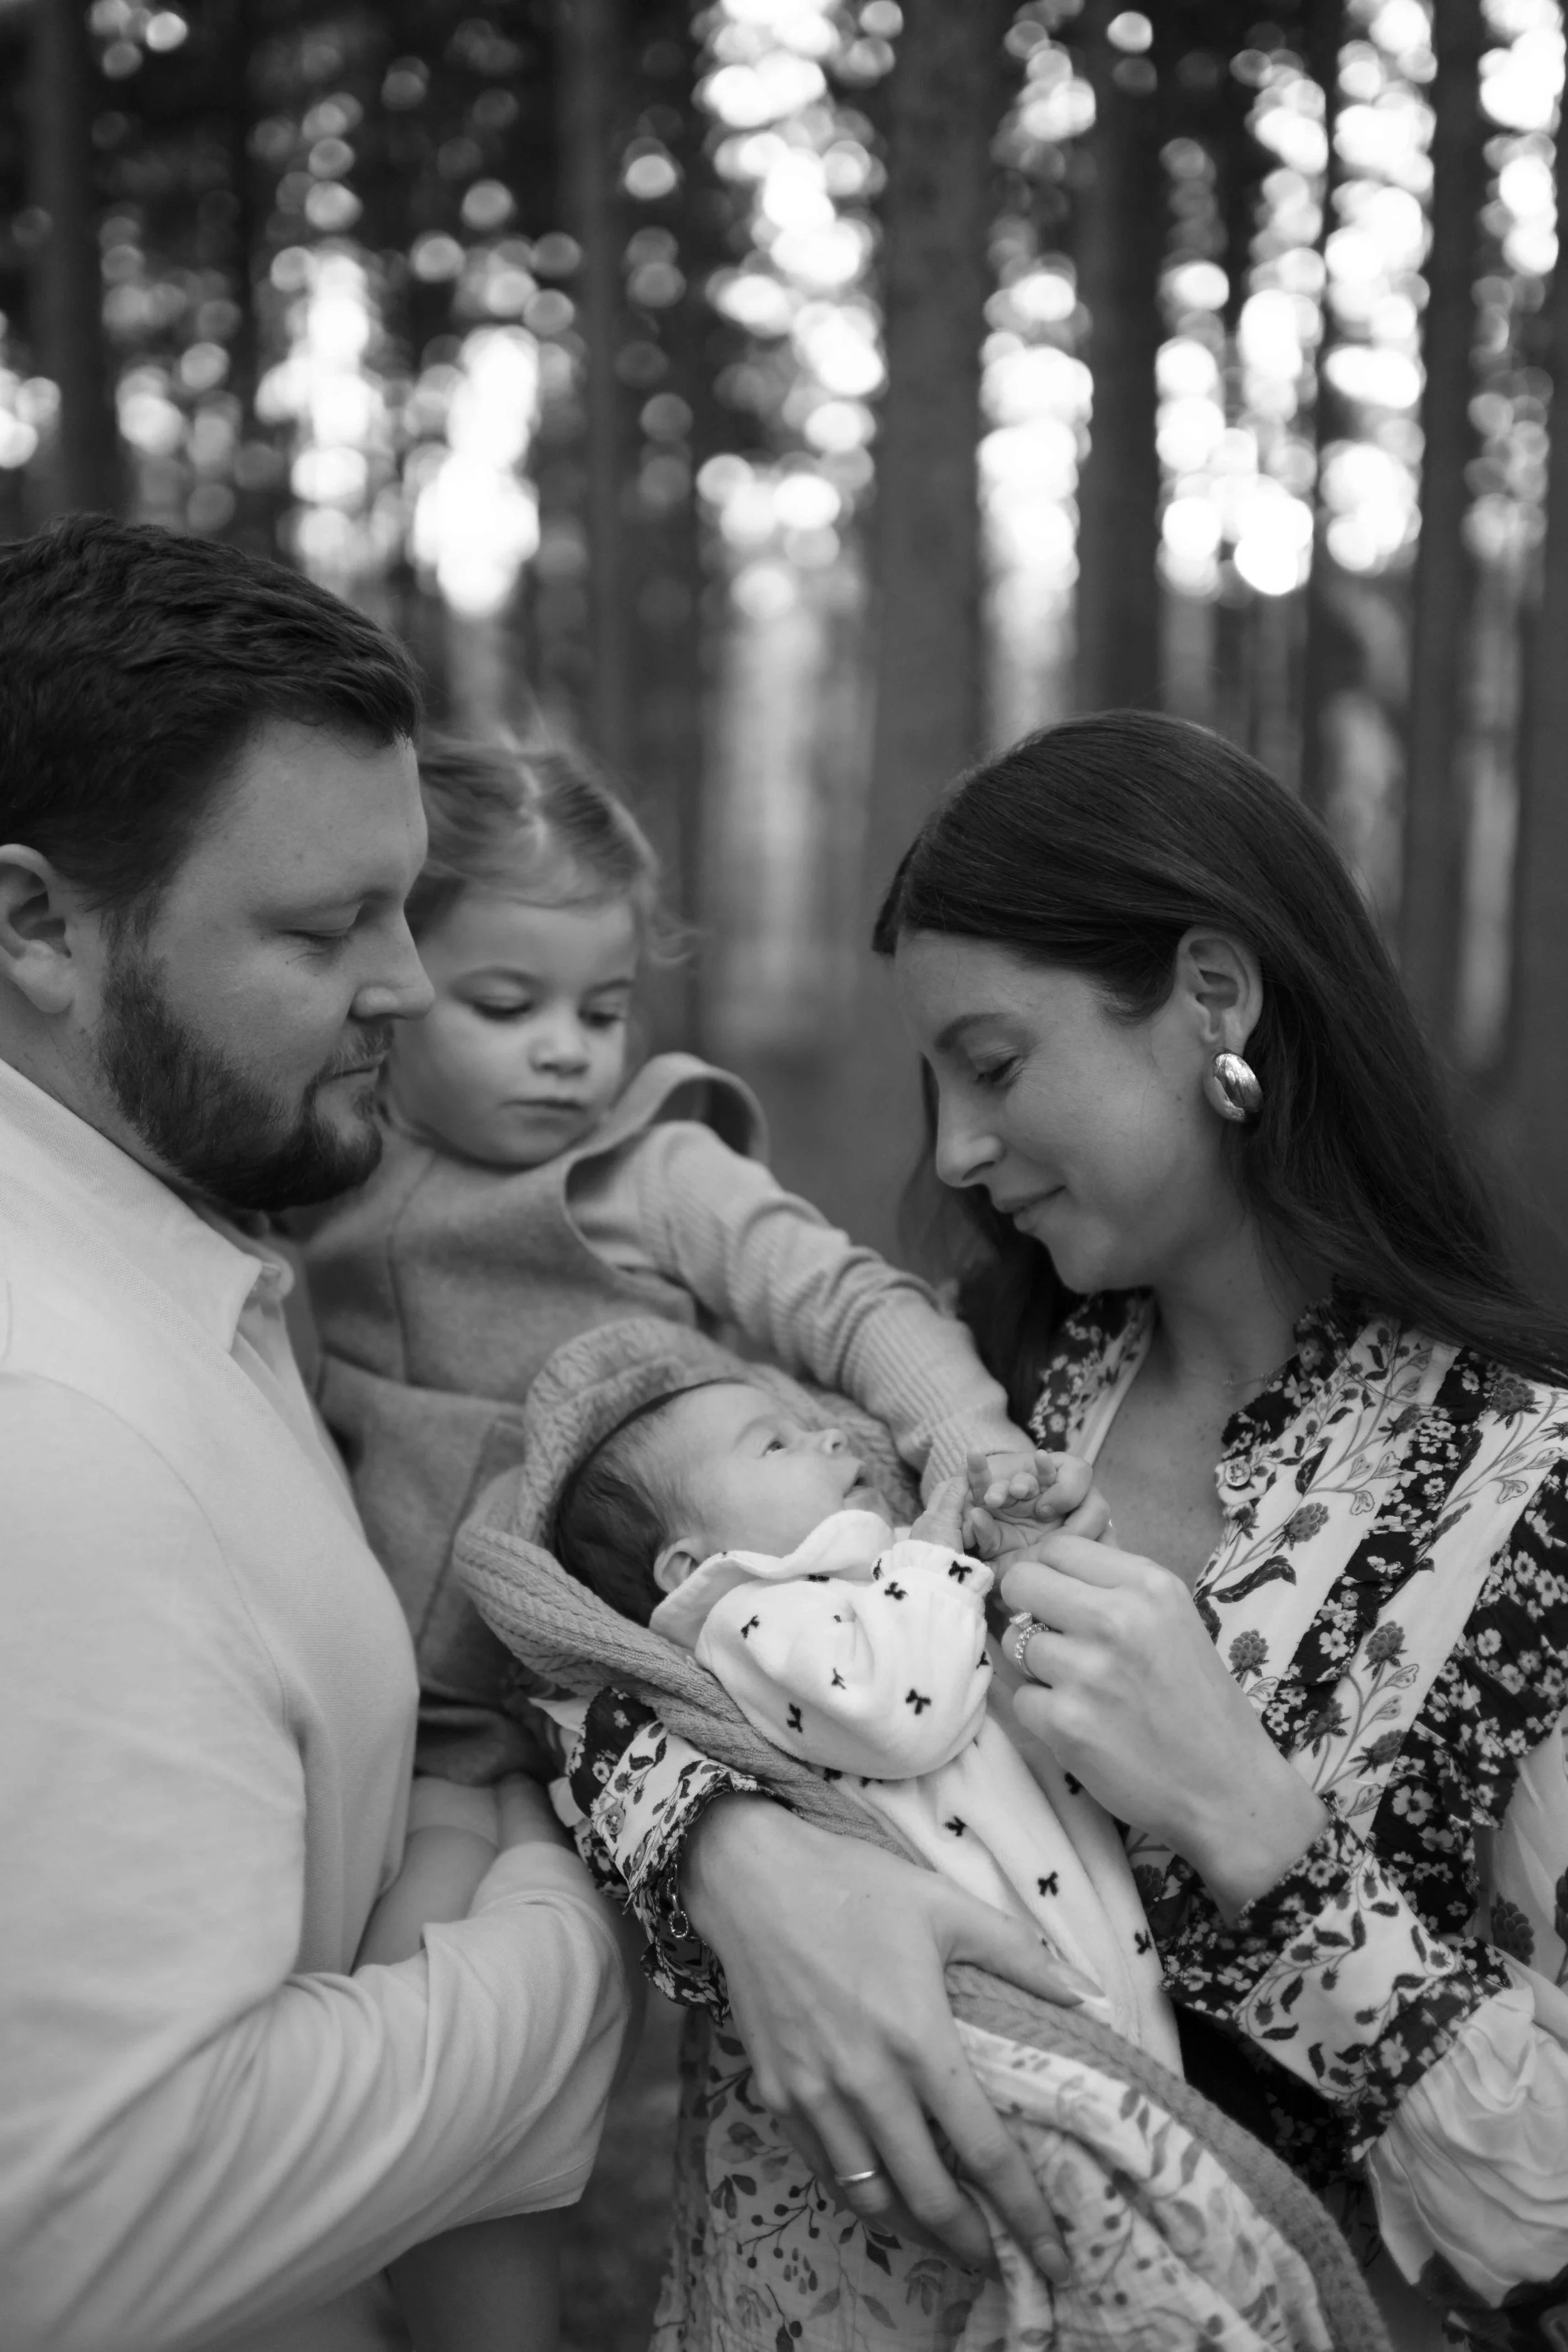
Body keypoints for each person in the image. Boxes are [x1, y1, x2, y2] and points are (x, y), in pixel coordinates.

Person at [554, 711, 1568, 2352]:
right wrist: (744, 1862)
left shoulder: (1525, 1503)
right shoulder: (973, 1382)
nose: (952, 1148)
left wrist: (1257, 1827)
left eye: (997, 1063)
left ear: (1212, 1000)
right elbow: (586, 1640)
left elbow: (1544, 2217)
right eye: (932, 1083)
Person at [0, 515, 632, 2352]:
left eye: (403, 900)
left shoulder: (190, 1240)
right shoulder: (55, 1424)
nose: (409, 984)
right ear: (36, 922)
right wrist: (596, 1926)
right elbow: (102, 2221)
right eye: (321, 925)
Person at [302, 736, 1041, 1785]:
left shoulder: (653, 1172)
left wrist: (971, 1446)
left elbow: (852, 1303)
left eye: (601, 1011)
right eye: (506, 1007)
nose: (566, 1049)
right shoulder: (323, 1158)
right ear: (395, 978)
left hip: (625, 1695)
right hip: (396, 1707)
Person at [550, 1377, 1177, 2066]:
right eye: (775, 1443)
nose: (831, 1435)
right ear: (690, 1565)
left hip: (1078, 1904)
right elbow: (905, 1718)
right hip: (997, 1963)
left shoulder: (879, 1571)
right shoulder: (752, 1613)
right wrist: (936, 1561)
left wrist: (1018, 1558)